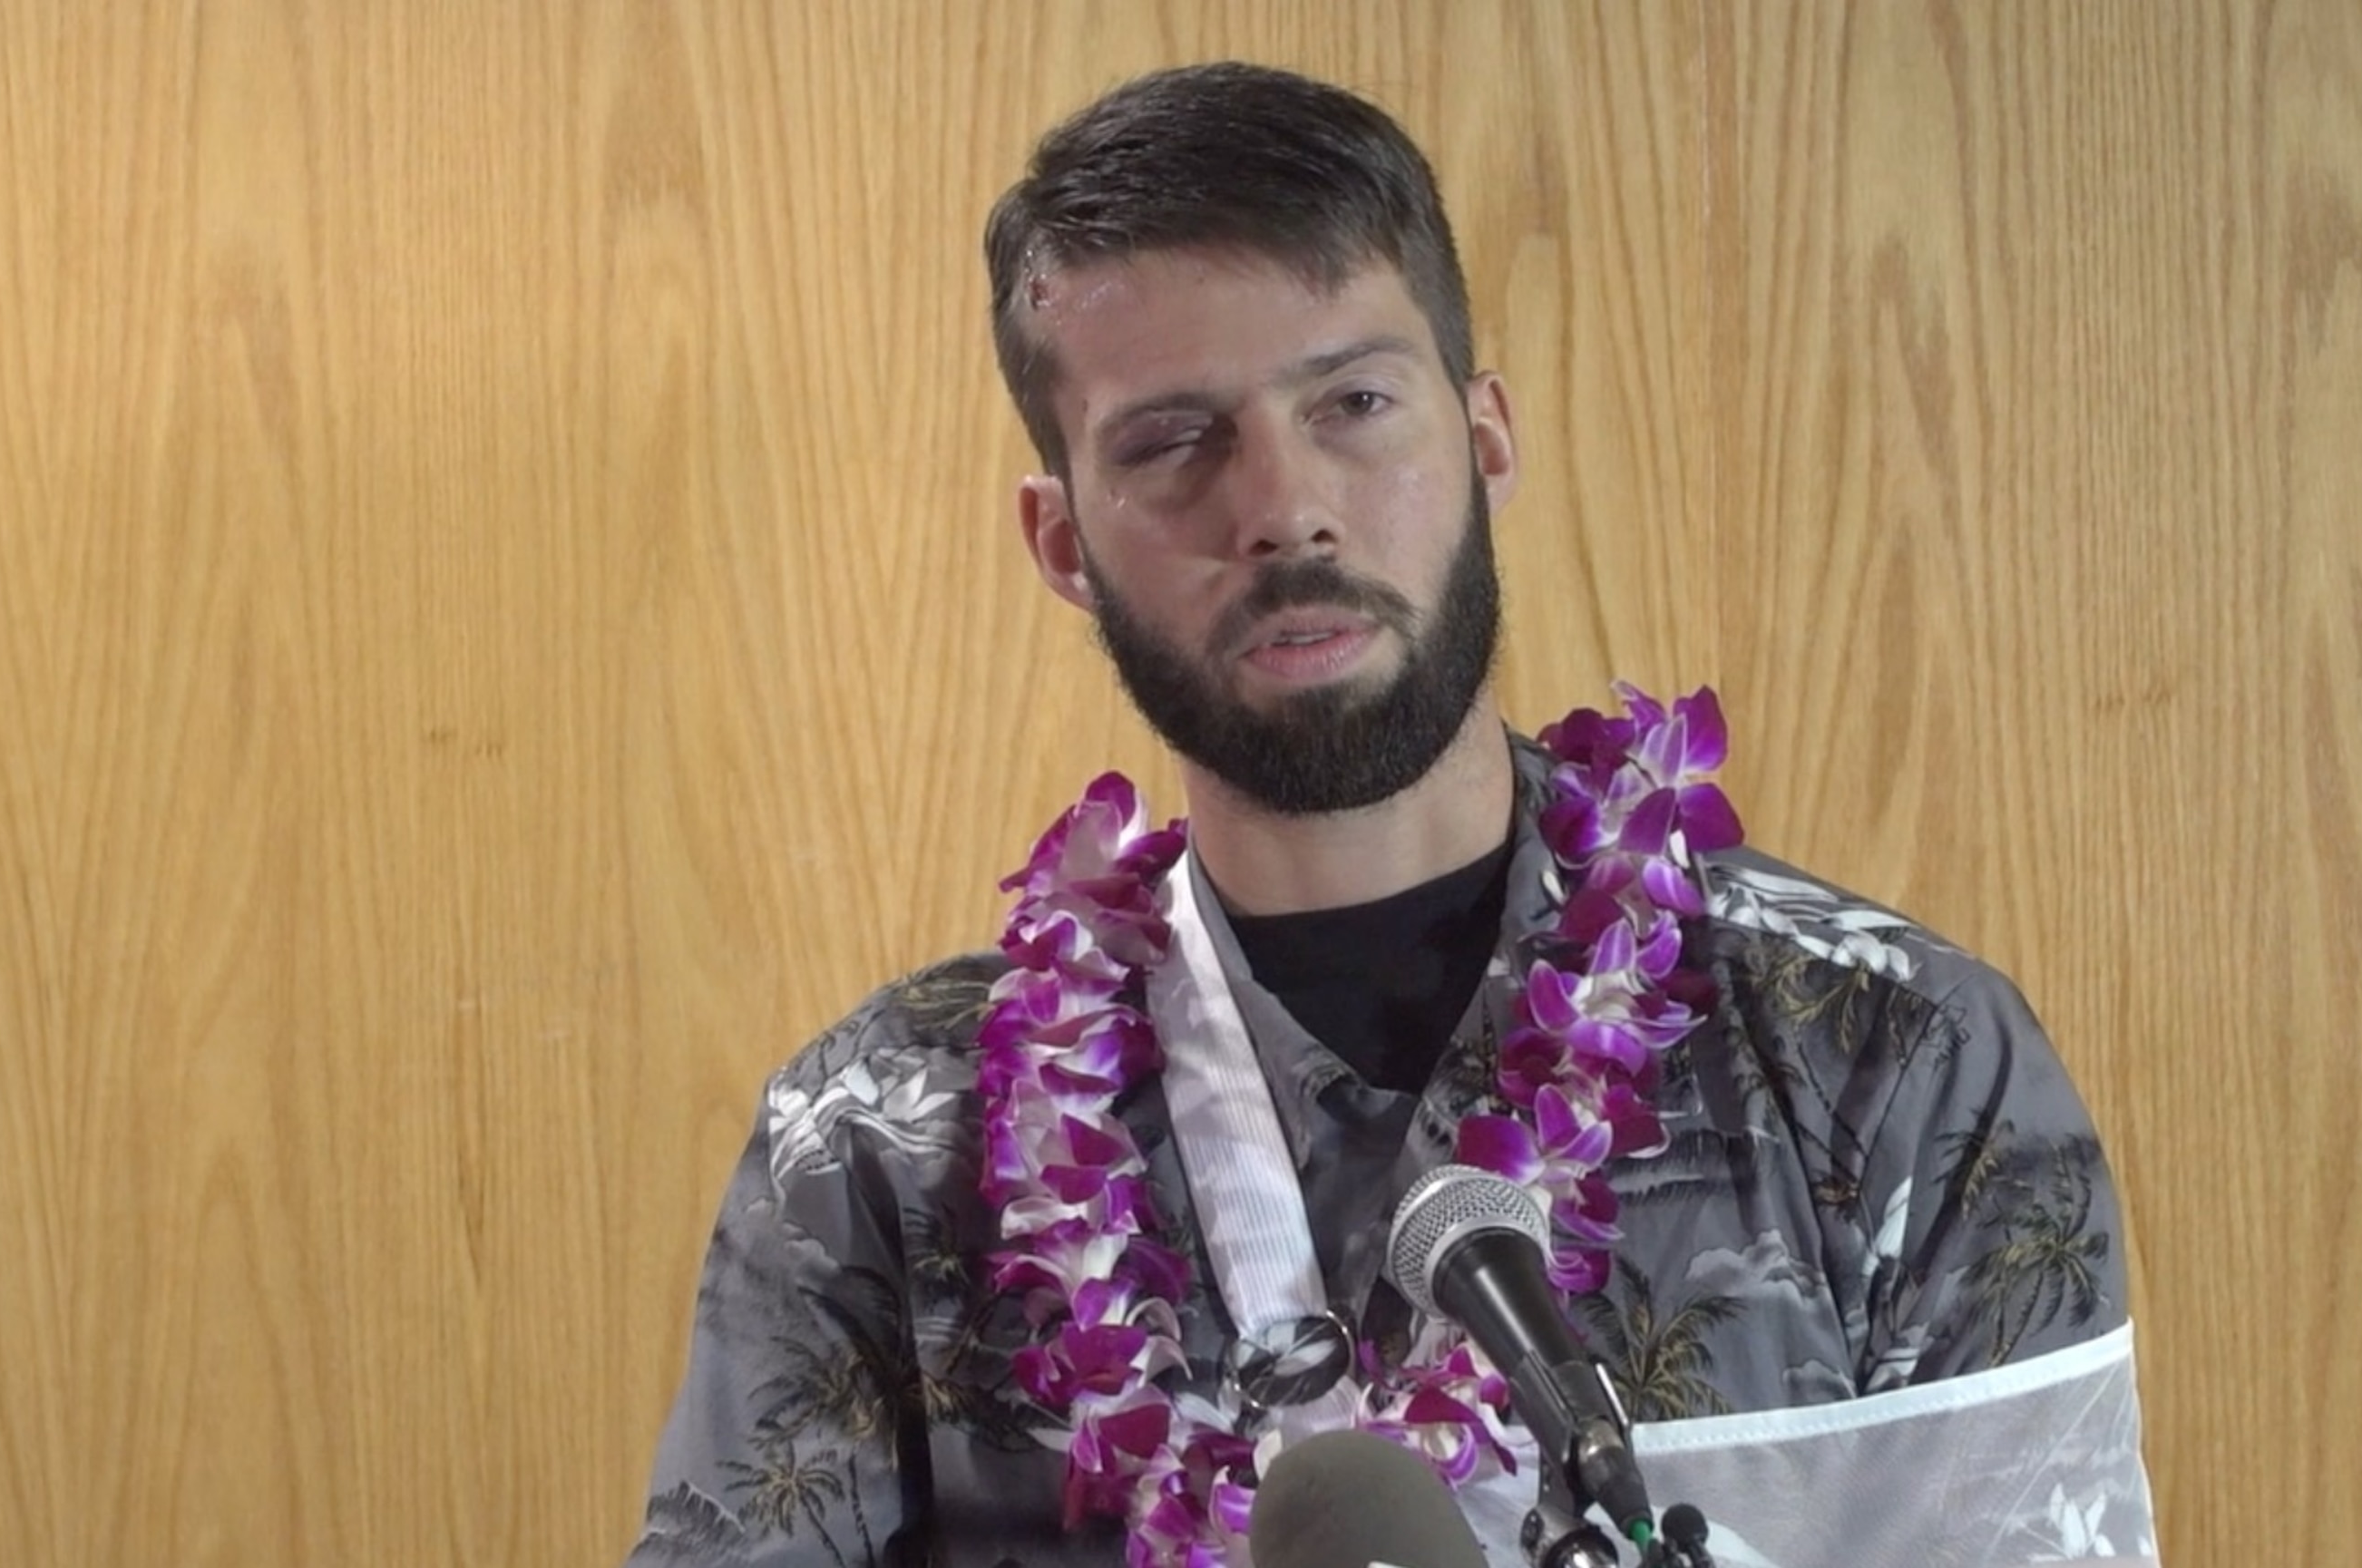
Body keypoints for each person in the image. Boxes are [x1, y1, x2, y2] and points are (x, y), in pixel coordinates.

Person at [630, 62, 2154, 1568]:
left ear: (1485, 435)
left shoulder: (1893, 1064)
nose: (1285, 506)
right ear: (1062, 539)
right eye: (1174, 441)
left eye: (1354, 400)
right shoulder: (877, 1148)